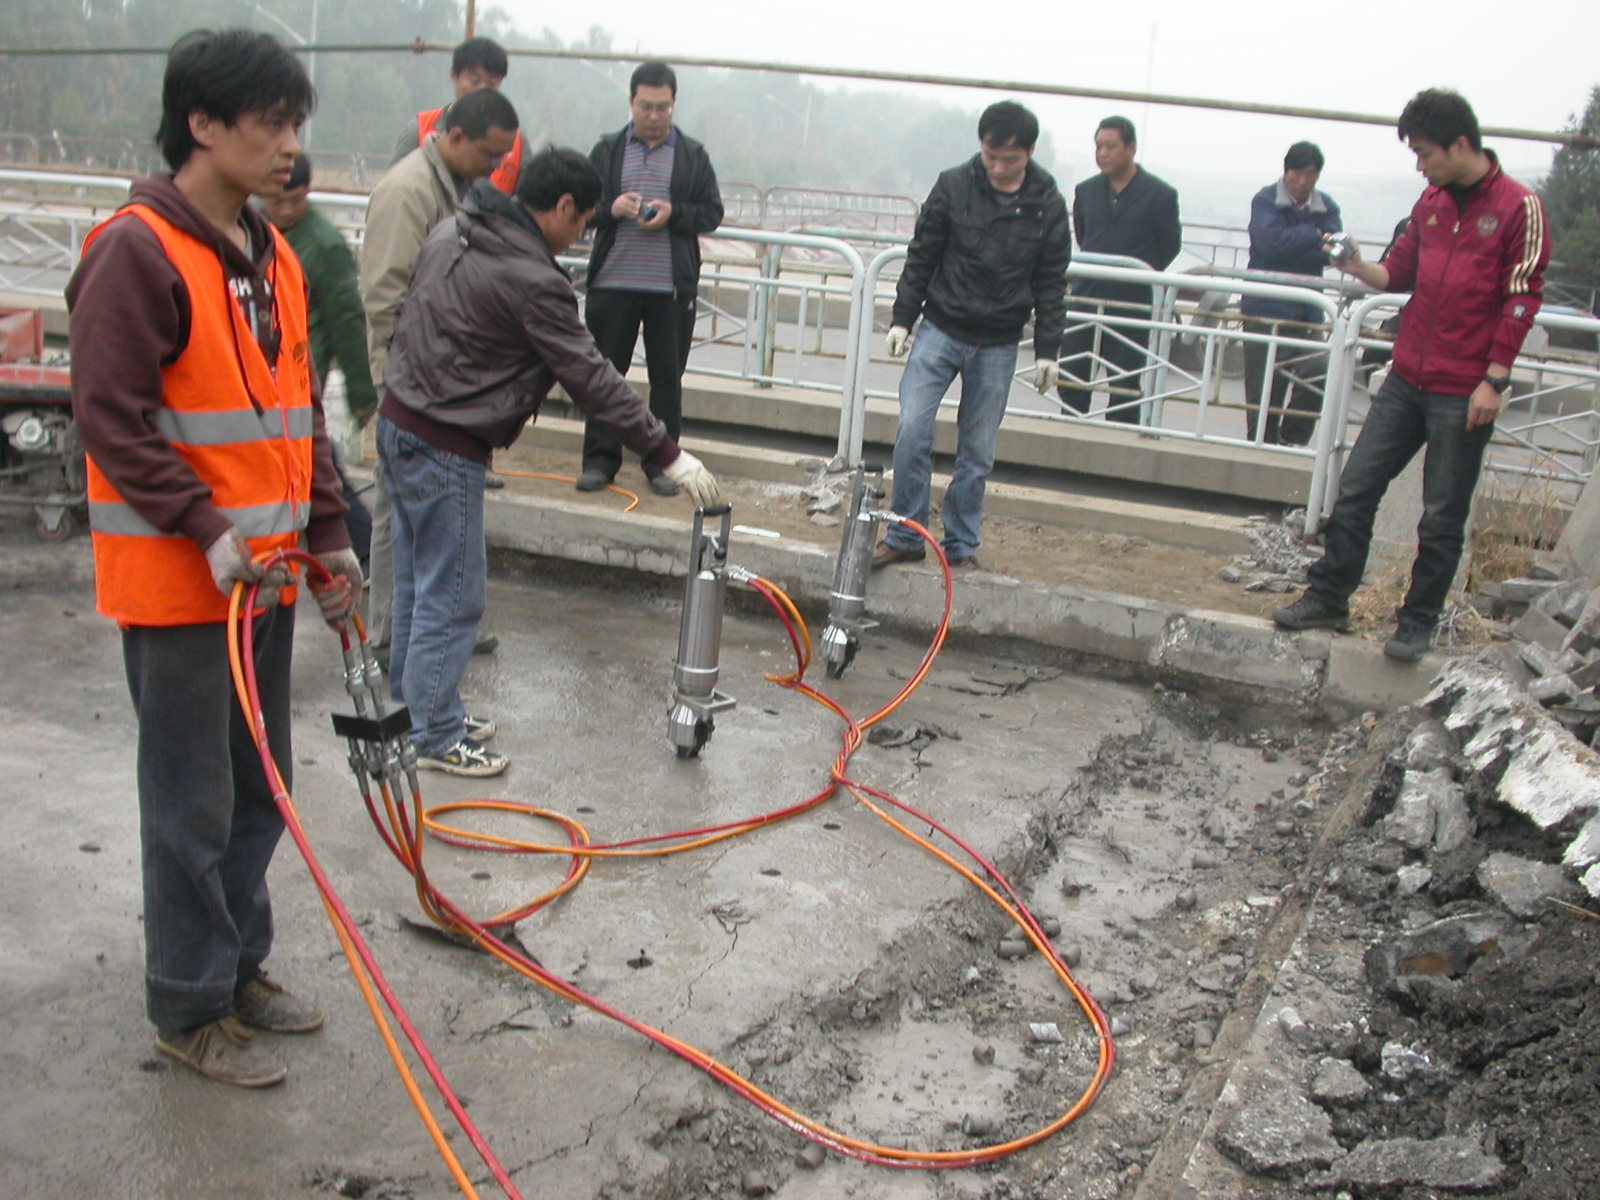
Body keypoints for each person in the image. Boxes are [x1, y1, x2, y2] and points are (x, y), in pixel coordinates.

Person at [66, 29, 361, 1087]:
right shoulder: (136, 251)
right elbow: (110, 413)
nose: (290, 145)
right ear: (201, 125)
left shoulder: (270, 256)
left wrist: (329, 533)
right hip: (184, 583)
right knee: (187, 800)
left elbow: (296, 414)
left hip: (266, 579)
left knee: (254, 788)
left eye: (296, 124)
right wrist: (204, 528)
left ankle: (238, 969)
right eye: (270, 123)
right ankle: (188, 1006)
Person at [378, 148, 721, 776]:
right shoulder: (532, 279)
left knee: (417, 580)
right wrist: (666, 451)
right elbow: (591, 376)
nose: (580, 236)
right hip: (446, 441)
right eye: (583, 222)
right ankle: (433, 734)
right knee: (453, 594)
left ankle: (418, 704)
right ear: (561, 207)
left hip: (401, 420)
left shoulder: (457, 228)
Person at [1274, 89, 1550, 662]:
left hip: (1464, 385)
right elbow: (1397, 272)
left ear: (1460, 144)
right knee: (1356, 488)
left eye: (1425, 153)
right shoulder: (1430, 203)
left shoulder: (1518, 207)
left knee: (1443, 513)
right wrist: (1354, 264)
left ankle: (1417, 621)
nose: (1419, 165)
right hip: (1408, 376)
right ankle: (1329, 596)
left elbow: (1521, 298)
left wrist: (1494, 379)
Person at [873, 101, 1070, 572]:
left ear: (1030, 152)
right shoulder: (954, 185)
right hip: (942, 326)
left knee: (977, 450)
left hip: (999, 340)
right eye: (990, 156)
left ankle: (961, 545)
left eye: (1010, 159)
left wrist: (1048, 350)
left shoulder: (1047, 203)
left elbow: (1050, 279)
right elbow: (923, 255)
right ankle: (906, 533)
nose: (999, 168)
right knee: (912, 428)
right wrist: (903, 318)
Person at [362, 87, 518, 662]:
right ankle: (387, 629)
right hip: (409, 385)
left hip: (438, 384)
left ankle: (424, 627)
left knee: (422, 514)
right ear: (454, 139)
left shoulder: (455, 188)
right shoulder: (409, 191)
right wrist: (398, 384)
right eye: (488, 157)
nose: (494, 169)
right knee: (395, 509)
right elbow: (385, 298)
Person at [575, 61, 724, 497]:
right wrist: (611, 209)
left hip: (670, 288)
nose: (654, 115)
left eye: (662, 107)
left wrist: (674, 214)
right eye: (646, 106)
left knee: (666, 380)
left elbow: (712, 213)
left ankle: (662, 463)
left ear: (673, 104)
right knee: (604, 374)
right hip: (612, 282)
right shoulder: (607, 150)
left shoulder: (693, 156)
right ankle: (600, 461)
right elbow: (577, 207)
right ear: (631, 103)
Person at [262, 153, 374, 564]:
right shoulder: (253, 231)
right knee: (308, 463)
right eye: (278, 201)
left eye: (296, 201)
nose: (286, 210)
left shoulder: (325, 245)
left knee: (316, 464)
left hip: (299, 375)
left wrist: (361, 394)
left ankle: (361, 547)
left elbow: (347, 320)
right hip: (260, 375)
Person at [1056, 116, 1181, 423]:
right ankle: (1072, 430)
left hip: (1132, 302)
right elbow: (1084, 235)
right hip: (1086, 297)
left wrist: (1138, 273)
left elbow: (1169, 246)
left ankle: (1119, 440)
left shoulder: (1159, 195)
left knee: (1124, 383)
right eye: (1098, 147)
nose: (1103, 153)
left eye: (1111, 146)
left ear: (1131, 148)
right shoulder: (1086, 191)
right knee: (1071, 373)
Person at [1241, 141, 1343, 446]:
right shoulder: (1265, 200)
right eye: (1296, 174)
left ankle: (1293, 439)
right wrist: (1312, 237)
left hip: (1306, 310)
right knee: (1264, 388)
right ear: (1286, 172)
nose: (1302, 182)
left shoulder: (1327, 206)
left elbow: (1332, 253)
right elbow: (1269, 244)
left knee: (1316, 372)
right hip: (1264, 309)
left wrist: (1299, 244)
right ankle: (1261, 444)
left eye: (1309, 175)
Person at [391, 36, 526, 195]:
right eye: (475, 81)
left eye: (492, 83)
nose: (482, 90)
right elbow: (395, 188)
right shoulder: (420, 129)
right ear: (454, 76)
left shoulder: (515, 142)